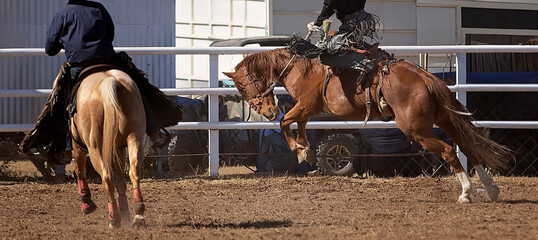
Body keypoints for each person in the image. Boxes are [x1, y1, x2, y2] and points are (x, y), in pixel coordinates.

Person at [19, 0, 183, 168]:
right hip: (108, 60)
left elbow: (49, 49)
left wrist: (66, 41)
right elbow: (110, 34)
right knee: (137, 88)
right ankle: (155, 133)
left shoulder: (61, 15)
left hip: (79, 65)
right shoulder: (98, 8)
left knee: (62, 100)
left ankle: (64, 147)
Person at [290, 0, 382, 85]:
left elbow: (329, 5)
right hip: (364, 18)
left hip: (353, 23)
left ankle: (364, 62)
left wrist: (317, 23)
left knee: (324, 57)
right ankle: (377, 54)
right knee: (347, 44)